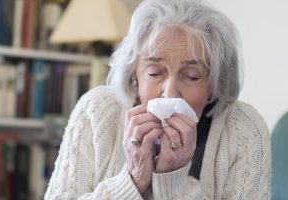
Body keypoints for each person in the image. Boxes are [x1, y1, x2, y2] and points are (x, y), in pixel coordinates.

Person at [44, 0, 271, 199]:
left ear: (214, 85)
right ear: (135, 75)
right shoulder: (96, 110)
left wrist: (174, 180)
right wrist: (133, 178)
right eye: (154, 73)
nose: (170, 93)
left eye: (192, 76)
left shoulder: (244, 128)